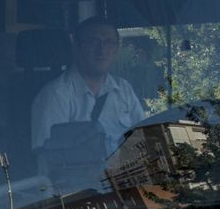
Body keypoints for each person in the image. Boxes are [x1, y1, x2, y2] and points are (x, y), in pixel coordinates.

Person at [31, 15, 147, 155]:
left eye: (109, 42)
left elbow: (145, 139)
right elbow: (47, 159)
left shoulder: (123, 89)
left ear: (116, 49)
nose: (102, 50)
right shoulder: (56, 95)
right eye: (93, 42)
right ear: (76, 46)